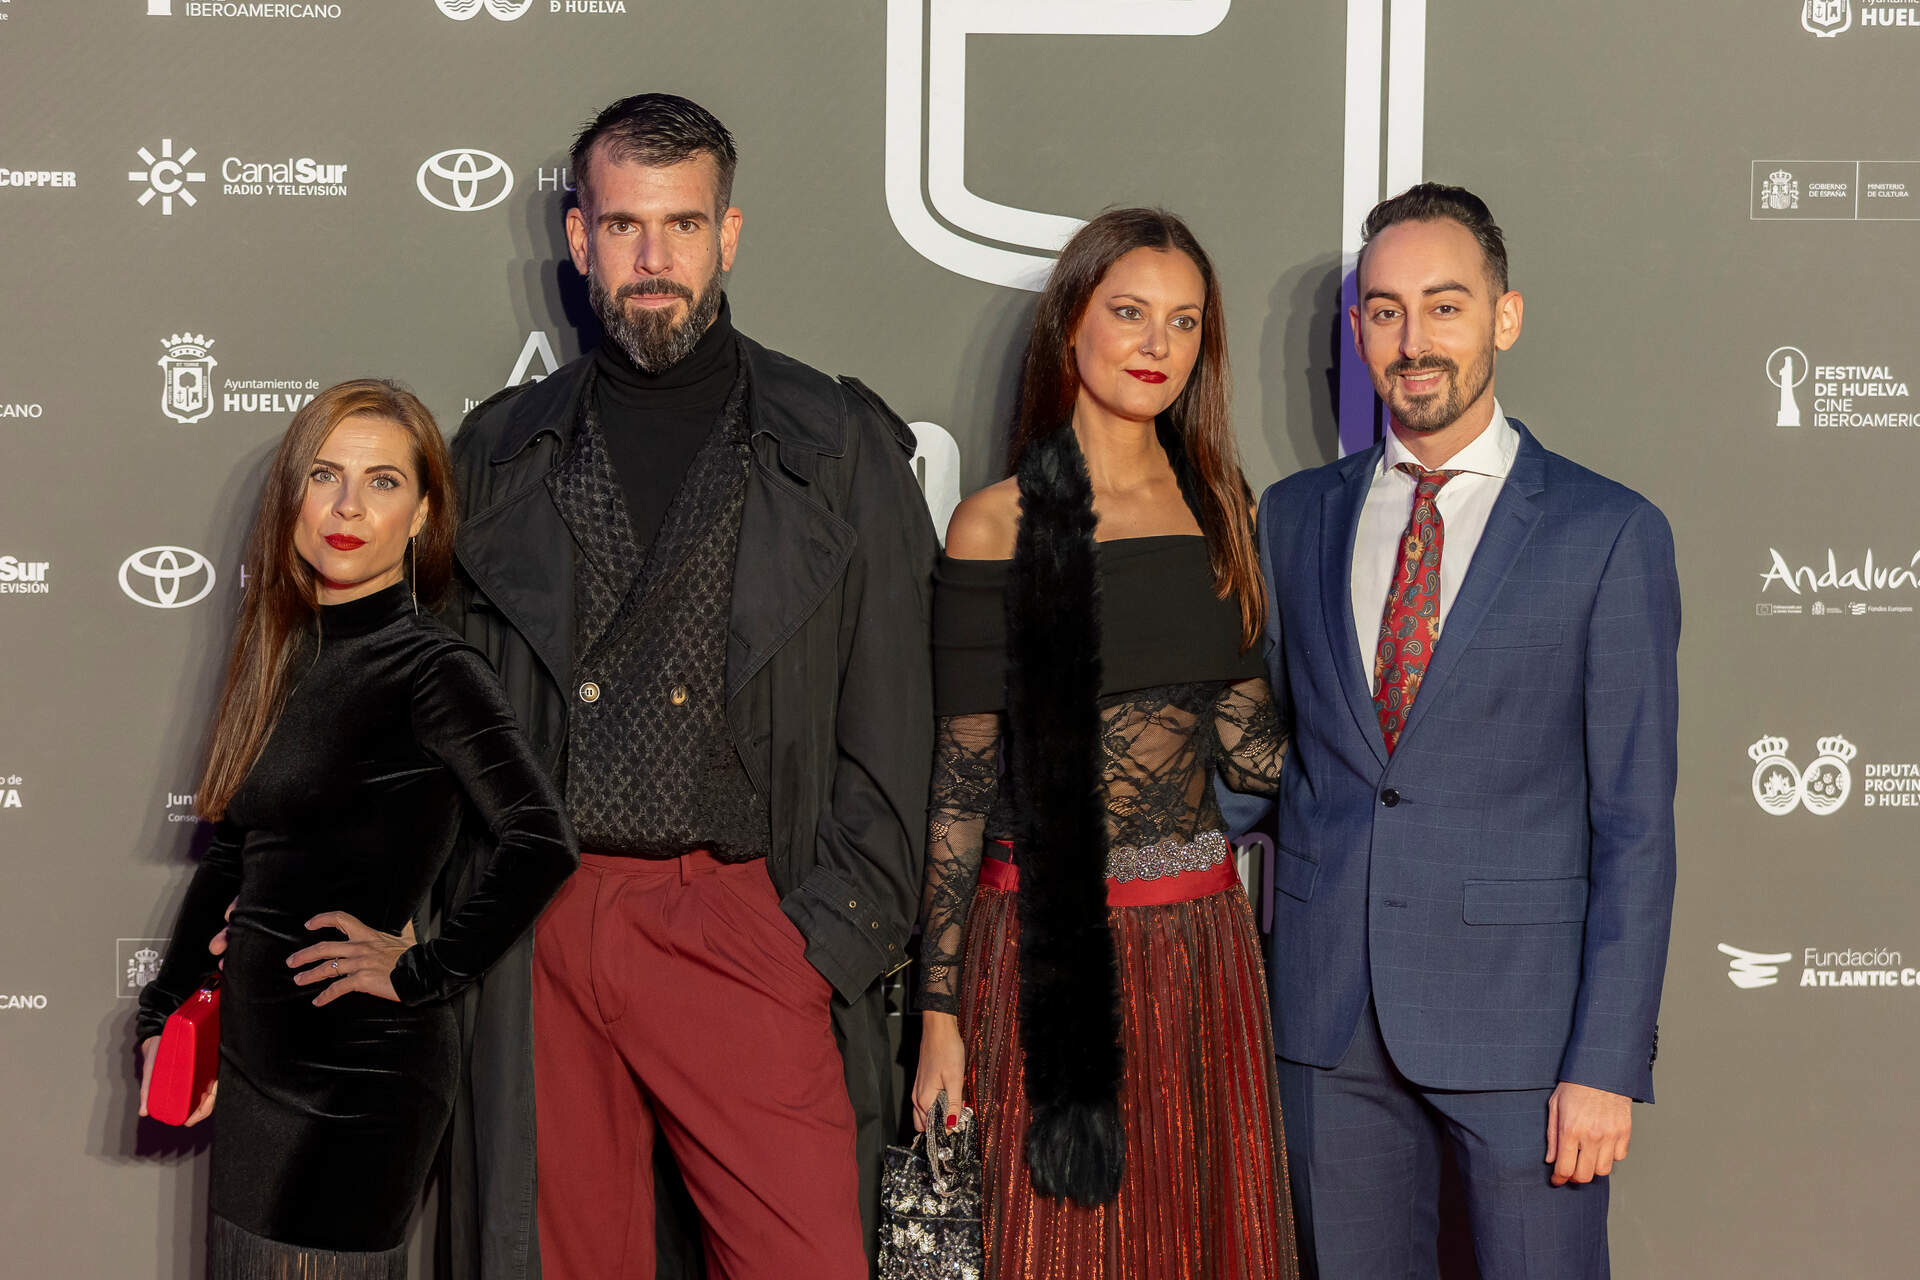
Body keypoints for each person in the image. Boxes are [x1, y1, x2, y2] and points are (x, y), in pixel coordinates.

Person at [439, 93, 937, 1280]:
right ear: (577, 240)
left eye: (681, 224)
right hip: (548, 922)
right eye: (623, 227)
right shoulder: (496, 451)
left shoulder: (837, 438)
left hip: (743, 921)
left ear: (730, 234)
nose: (652, 258)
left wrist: (823, 938)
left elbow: (901, 715)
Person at [1257, 183, 1680, 1278]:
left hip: (1528, 1041)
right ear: (1357, 332)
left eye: (1445, 306)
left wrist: (1604, 1062)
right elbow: (1264, 753)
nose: (1413, 340)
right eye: (1386, 311)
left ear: (1505, 315)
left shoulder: (1608, 531)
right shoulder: (1295, 515)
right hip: (1328, 1020)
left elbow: (1635, 823)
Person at [909, 208, 1299, 1280]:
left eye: (1183, 322)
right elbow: (960, 786)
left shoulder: (1223, 509)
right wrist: (938, 1018)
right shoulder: (995, 521)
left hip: (1201, 949)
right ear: (1071, 326)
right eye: (1129, 312)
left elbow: (1245, 745)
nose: (1155, 344)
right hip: (1042, 956)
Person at [134, 379, 577, 1278]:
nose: (347, 506)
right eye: (326, 476)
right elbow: (236, 849)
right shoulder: (283, 654)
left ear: (422, 516)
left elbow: (542, 840)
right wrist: (161, 1013)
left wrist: (422, 970)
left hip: (361, 1077)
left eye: (382, 483)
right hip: (258, 1062)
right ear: (291, 497)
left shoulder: (431, 668)